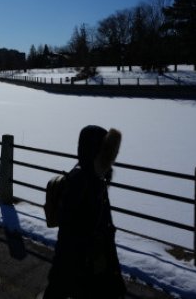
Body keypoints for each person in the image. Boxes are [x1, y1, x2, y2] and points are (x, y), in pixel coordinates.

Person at [44, 125, 126, 299]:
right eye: (106, 152)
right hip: (82, 264)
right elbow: (70, 234)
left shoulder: (97, 181)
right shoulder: (81, 183)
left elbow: (104, 226)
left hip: (91, 263)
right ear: (94, 152)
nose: (111, 159)